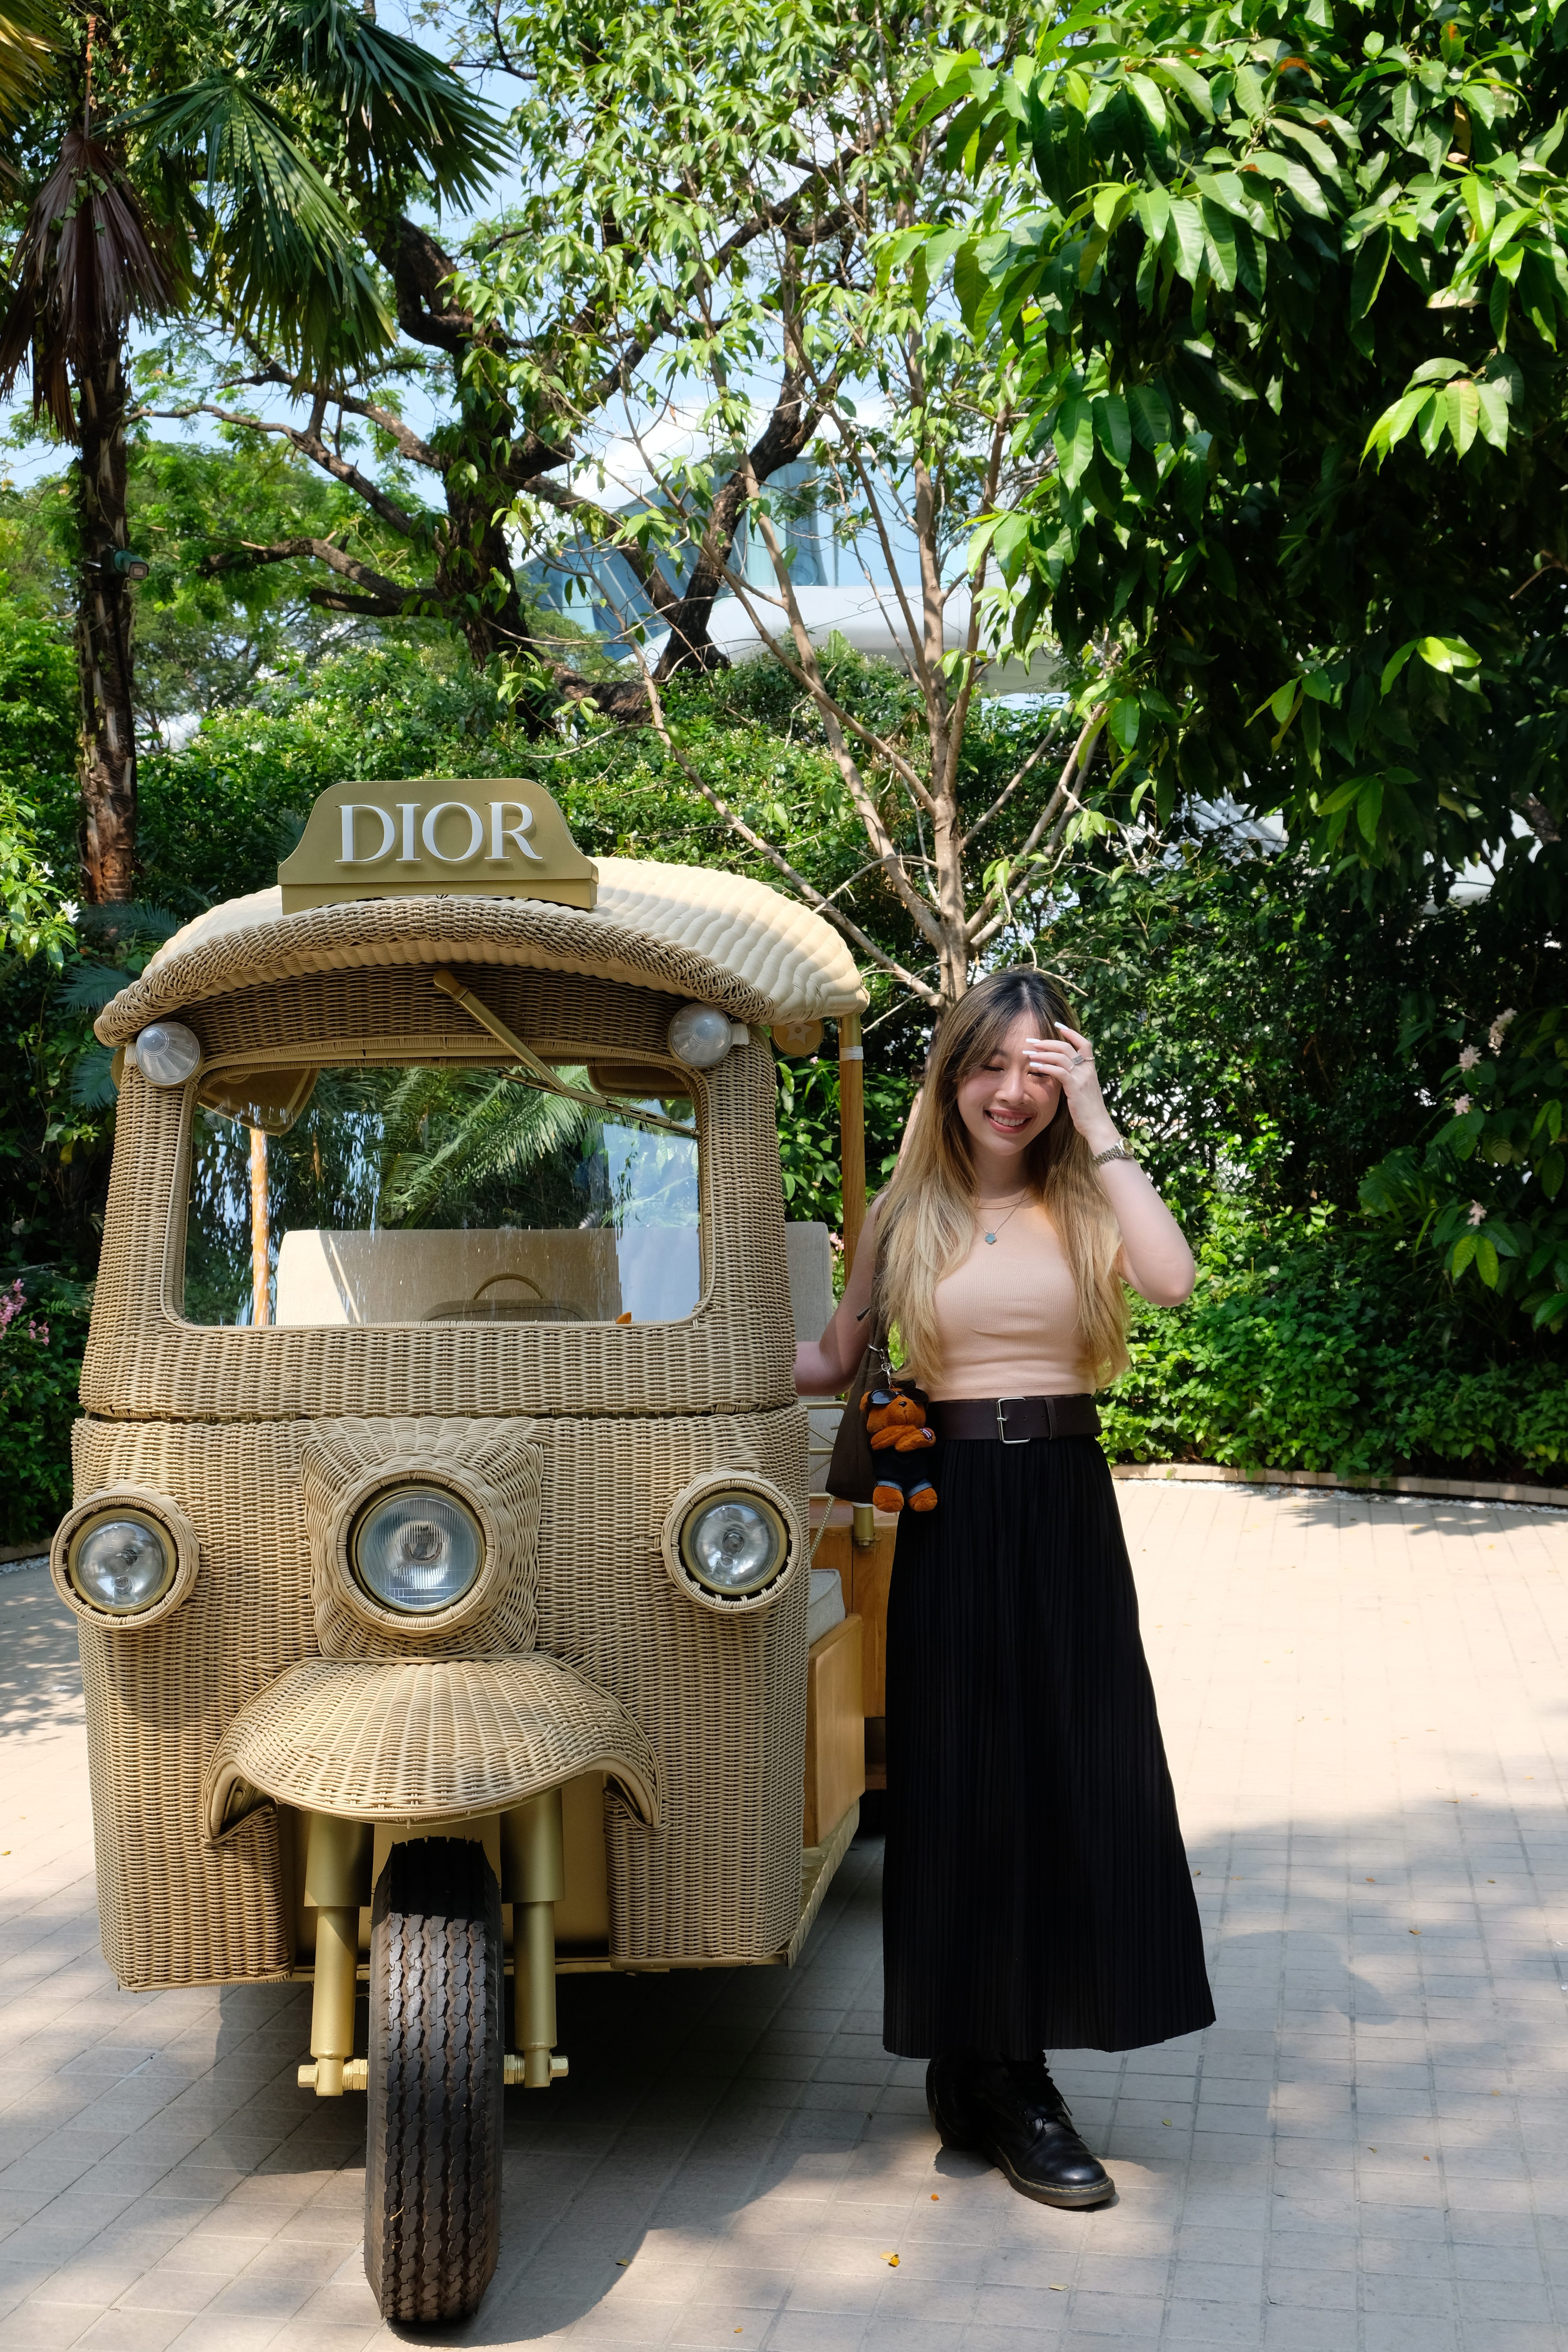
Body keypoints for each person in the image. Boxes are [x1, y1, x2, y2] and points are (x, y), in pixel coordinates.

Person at [794, 968, 1214, 2210]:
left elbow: (1173, 1281)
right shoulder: (903, 1213)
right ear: (952, 1073)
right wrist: (667, 1339)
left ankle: (991, 2066)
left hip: (1066, 1505)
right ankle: (1000, 2070)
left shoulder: (1087, 1198)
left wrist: (1103, 1118)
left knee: (1080, 1768)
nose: (1012, 1091)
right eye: (991, 1064)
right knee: (961, 1783)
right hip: (953, 1510)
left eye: (1041, 1068)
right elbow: (832, 1358)